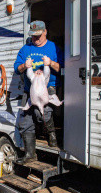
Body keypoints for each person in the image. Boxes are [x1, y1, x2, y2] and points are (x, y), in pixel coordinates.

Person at [14, 21, 64, 164]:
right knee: (25, 119)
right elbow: (17, 69)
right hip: (29, 88)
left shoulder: (54, 48)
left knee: (43, 114)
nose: (35, 39)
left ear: (45, 32)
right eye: (33, 36)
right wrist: (25, 65)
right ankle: (30, 154)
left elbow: (64, 67)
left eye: (38, 36)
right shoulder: (25, 49)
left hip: (48, 86)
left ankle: (51, 133)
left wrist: (51, 63)